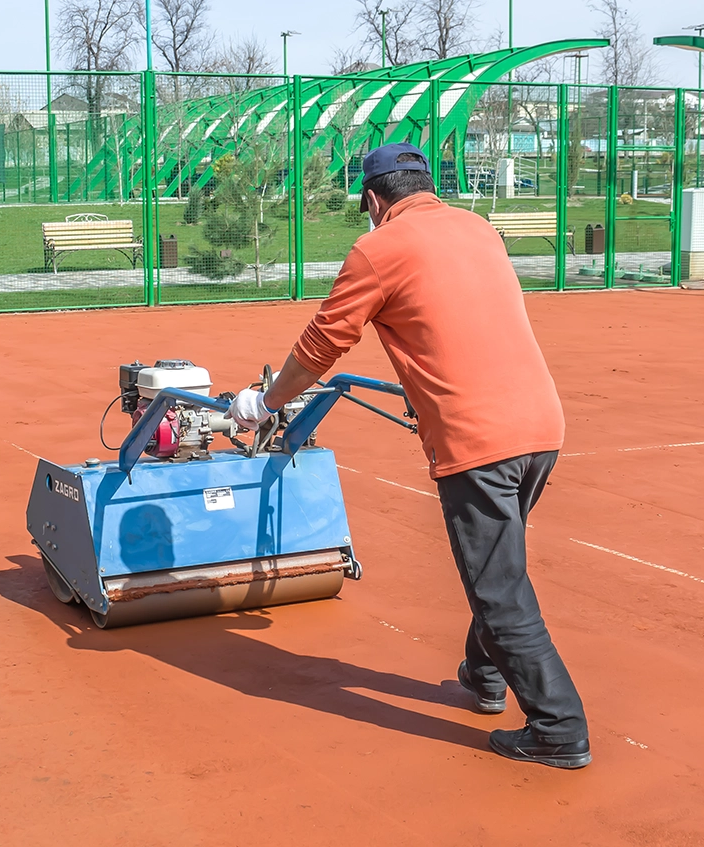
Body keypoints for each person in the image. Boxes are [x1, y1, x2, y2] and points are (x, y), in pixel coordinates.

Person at [227, 142, 589, 769]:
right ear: (425, 183)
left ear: (372, 198)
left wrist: (263, 403)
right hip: (541, 425)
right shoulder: (478, 228)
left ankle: (559, 727)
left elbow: (321, 346)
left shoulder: (378, 249)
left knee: (498, 587)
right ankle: (485, 676)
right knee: (500, 562)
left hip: (477, 441)